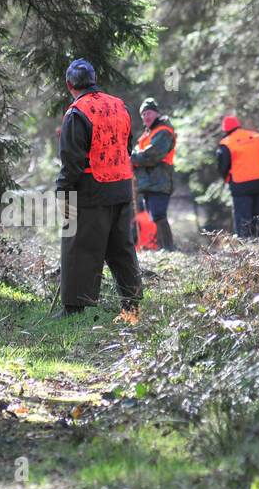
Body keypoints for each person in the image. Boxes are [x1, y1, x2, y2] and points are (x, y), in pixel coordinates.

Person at [54, 59, 142, 317]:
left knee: (78, 247)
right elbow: (127, 146)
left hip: (91, 190)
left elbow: (71, 161)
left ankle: (74, 307)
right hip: (122, 186)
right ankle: (132, 304)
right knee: (121, 248)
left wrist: (63, 191)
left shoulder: (77, 112)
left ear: (70, 85)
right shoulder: (119, 106)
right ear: (93, 80)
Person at [130, 97, 176, 250]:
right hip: (148, 183)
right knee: (154, 216)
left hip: (160, 181)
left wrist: (132, 158)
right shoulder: (147, 134)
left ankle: (168, 248)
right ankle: (161, 247)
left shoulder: (163, 132)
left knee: (158, 215)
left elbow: (153, 155)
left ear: (157, 114)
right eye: (143, 114)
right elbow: (141, 154)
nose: (146, 116)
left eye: (149, 113)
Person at [216, 114, 259, 237]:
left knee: (243, 218)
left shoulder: (227, 142)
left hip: (240, 184)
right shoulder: (255, 136)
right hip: (258, 182)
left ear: (225, 130)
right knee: (257, 215)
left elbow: (222, 166)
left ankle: (245, 246)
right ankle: (258, 243)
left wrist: (228, 179)